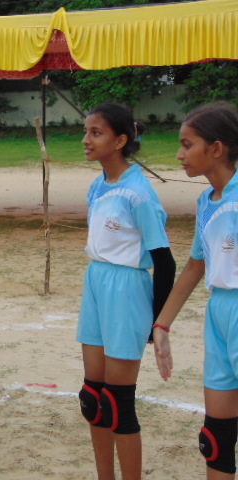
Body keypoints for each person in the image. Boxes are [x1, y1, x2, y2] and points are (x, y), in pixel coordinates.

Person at [76, 103, 175, 480]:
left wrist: (158, 320)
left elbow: (165, 261)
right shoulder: (97, 185)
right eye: (86, 132)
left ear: (120, 140)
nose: (86, 140)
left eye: (96, 133)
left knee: (118, 404)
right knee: (93, 399)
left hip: (128, 289)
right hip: (97, 283)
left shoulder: (139, 193)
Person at [154, 104, 238, 479]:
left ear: (216, 148)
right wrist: (163, 325)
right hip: (219, 314)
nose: (179, 154)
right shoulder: (207, 201)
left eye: (187, 145)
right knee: (215, 438)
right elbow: (195, 266)